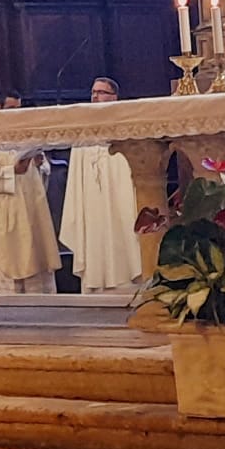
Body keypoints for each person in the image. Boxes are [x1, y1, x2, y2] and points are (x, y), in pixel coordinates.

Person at [59, 78, 139, 294]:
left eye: (102, 92)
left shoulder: (126, 126)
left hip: (118, 197)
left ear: (114, 97)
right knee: (93, 230)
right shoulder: (83, 130)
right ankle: (95, 280)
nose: (95, 96)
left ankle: (126, 283)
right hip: (91, 198)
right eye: (93, 92)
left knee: (123, 226)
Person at [0, 94, 59, 294]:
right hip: (5, 208)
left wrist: (39, 164)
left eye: (18, 108)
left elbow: (43, 171)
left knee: (36, 250)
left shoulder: (25, 134)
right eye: (10, 108)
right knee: (11, 255)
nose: (15, 113)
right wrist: (12, 171)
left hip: (31, 207)